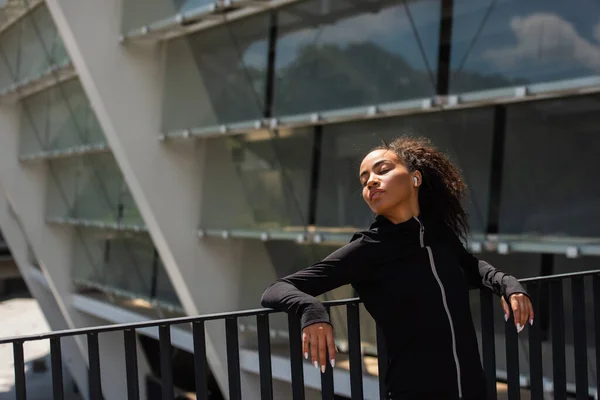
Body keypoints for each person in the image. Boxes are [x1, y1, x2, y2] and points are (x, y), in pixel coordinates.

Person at [260, 136, 534, 399]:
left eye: (382, 170)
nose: (371, 182)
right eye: (364, 179)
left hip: (474, 389)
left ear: (415, 178)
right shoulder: (368, 249)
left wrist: (508, 285)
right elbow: (277, 288)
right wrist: (312, 311)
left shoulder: (438, 235)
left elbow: (471, 266)